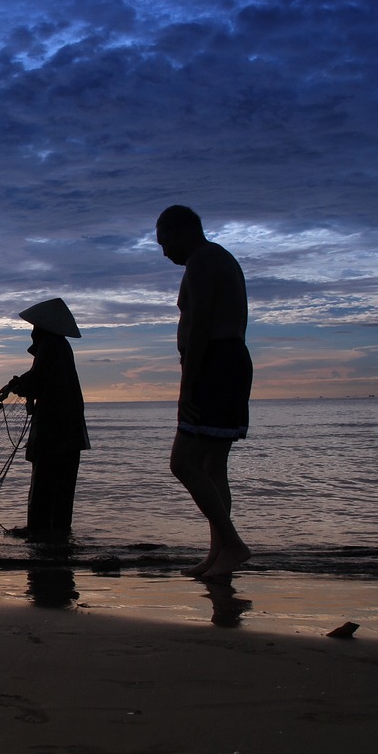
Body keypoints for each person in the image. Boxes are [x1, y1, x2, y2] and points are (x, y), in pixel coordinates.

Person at [156, 204, 253, 579]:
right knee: (213, 467)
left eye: (164, 242)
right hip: (229, 363)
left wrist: (187, 387)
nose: (164, 252)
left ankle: (232, 543)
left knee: (183, 463)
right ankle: (219, 554)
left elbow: (198, 328)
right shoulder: (218, 258)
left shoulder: (202, 261)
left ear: (182, 231)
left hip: (215, 365)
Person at [0, 298, 90, 540]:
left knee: (45, 481)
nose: (32, 333)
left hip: (55, 428)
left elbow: (36, 382)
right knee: (62, 485)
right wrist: (18, 383)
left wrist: (19, 386)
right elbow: (39, 377)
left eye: (34, 328)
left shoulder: (50, 345)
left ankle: (39, 531)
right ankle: (58, 533)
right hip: (68, 429)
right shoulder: (59, 346)